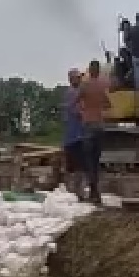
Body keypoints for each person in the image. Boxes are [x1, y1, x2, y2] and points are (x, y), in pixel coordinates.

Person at [77, 60, 111, 204]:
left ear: (90, 70)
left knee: (88, 160)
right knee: (96, 160)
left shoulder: (85, 85)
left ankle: (93, 191)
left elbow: (76, 101)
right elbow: (108, 104)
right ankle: (95, 193)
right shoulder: (102, 86)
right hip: (99, 126)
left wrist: (82, 110)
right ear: (99, 71)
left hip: (88, 124)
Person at [62, 68, 86, 197]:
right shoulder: (73, 93)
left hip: (74, 136)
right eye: (78, 77)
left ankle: (73, 191)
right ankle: (76, 192)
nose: (81, 79)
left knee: (74, 166)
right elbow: (78, 112)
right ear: (72, 79)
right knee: (78, 166)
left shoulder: (74, 92)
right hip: (75, 136)